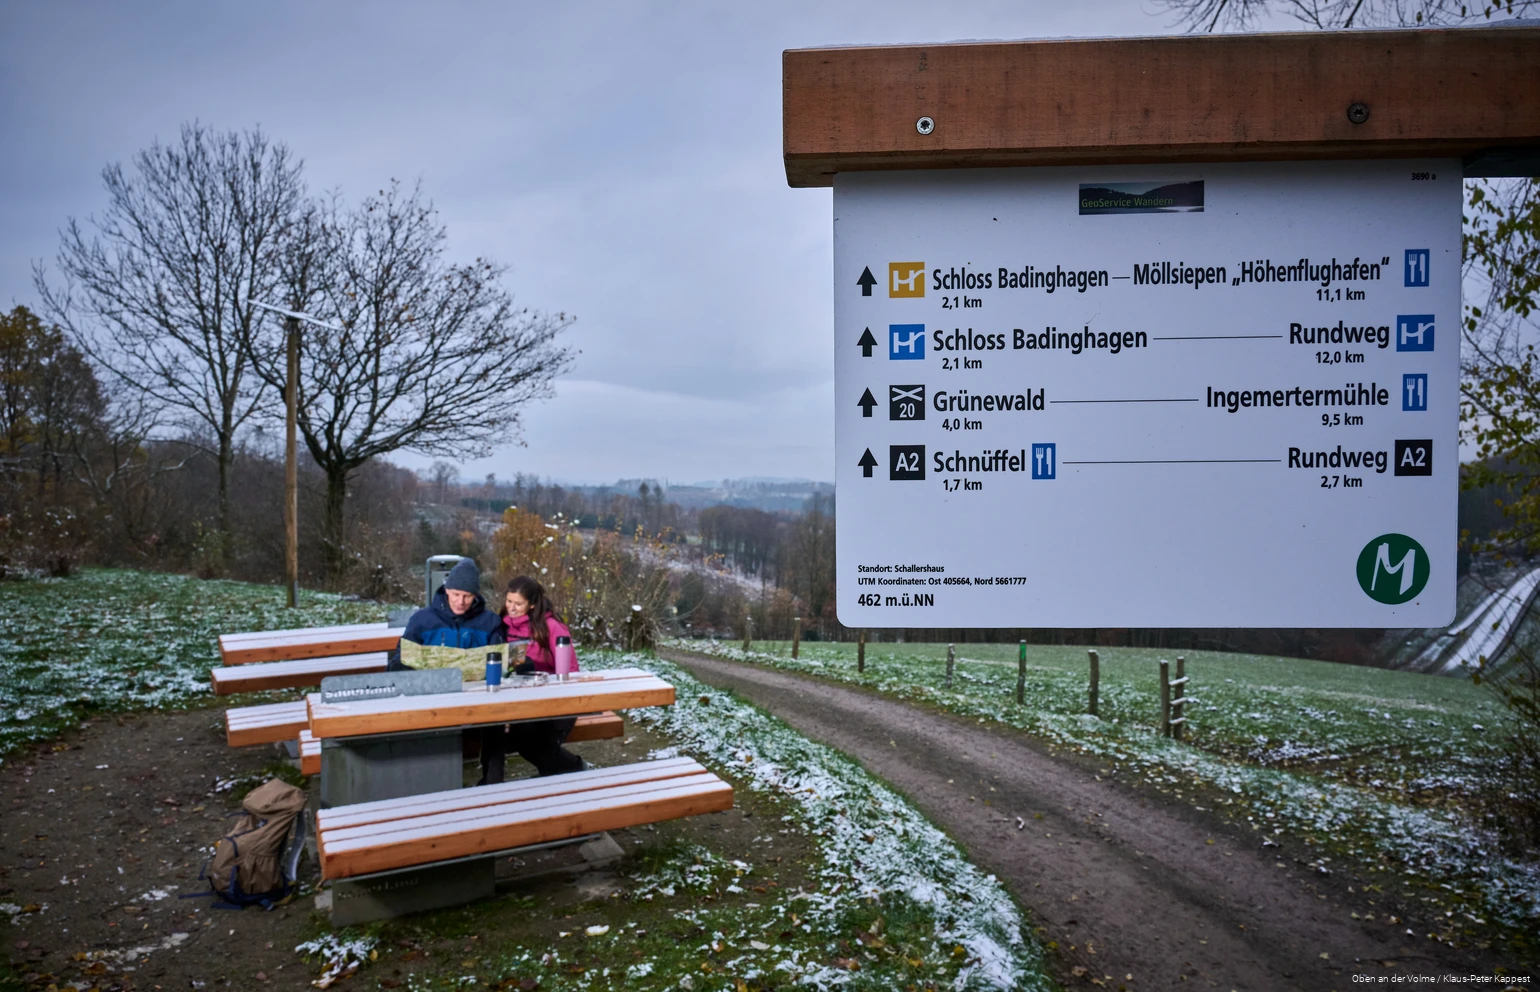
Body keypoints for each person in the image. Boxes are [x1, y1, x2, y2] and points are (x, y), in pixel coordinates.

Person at [391, 558, 508, 785]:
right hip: (434, 698)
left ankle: (493, 782)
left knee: (496, 717)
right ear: (446, 590)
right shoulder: (422, 620)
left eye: (467, 596)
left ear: (476, 596)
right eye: (455, 594)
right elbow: (401, 655)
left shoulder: (490, 622)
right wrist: (400, 666)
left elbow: (502, 660)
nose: (461, 602)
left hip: (478, 699)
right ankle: (430, 784)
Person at [485, 575, 586, 780]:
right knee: (512, 736)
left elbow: (570, 669)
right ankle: (562, 775)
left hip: (554, 701)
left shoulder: (551, 627)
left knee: (531, 742)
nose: (512, 608)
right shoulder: (502, 625)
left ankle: (573, 770)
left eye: (518, 604)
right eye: (509, 601)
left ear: (531, 605)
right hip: (516, 699)